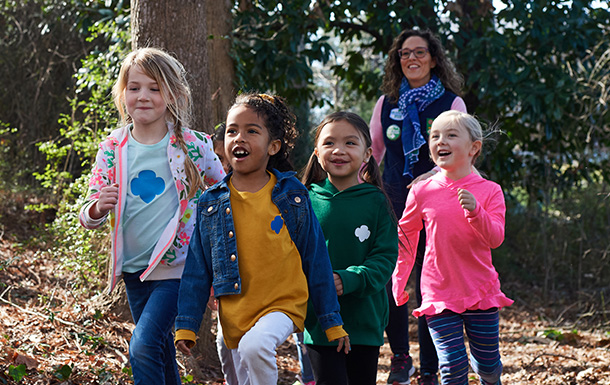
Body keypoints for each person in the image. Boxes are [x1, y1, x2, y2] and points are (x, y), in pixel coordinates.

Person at [174, 92, 350, 385]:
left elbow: (315, 257)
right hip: (235, 310)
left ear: (273, 146)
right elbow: (197, 269)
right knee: (242, 370)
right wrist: (187, 326)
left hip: (284, 303)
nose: (238, 138)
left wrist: (331, 321)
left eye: (251, 131)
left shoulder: (291, 196)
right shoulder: (211, 202)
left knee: (255, 347)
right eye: (232, 131)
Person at [78, 47, 225, 385]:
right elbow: (88, 212)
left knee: (142, 346)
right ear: (122, 93)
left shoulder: (194, 146)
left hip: (179, 269)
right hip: (134, 268)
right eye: (134, 87)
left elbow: (226, 198)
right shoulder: (112, 148)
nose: (143, 96)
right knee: (158, 350)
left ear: (172, 94)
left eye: (154, 88)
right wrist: (99, 207)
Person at [369, 28, 467, 385]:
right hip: (394, 202)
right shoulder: (388, 103)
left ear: (434, 58)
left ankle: (431, 366)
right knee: (394, 282)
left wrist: (432, 178)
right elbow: (374, 153)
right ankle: (400, 358)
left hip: (437, 205)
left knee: (430, 287)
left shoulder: (451, 103)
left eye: (419, 52)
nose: (411, 59)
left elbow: (461, 154)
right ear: (398, 61)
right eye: (404, 54)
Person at [392, 110, 513, 385]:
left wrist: (476, 212)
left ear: (474, 148)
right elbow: (406, 236)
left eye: (450, 135)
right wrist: (399, 281)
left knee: (488, 366)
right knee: (451, 365)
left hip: (480, 289)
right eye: (434, 136)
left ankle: (489, 375)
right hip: (438, 291)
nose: (440, 141)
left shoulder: (491, 191)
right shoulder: (422, 190)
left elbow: (495, 238)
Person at [301, 111, 397, 385]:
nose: (339, 150)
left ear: (367, 154)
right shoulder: (304, 200)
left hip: (364, 320)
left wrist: (350, 278)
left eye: (350, 143)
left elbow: (385, 257)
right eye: (329, 143)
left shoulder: (376, 201)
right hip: (318, 320)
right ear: (317, 152)